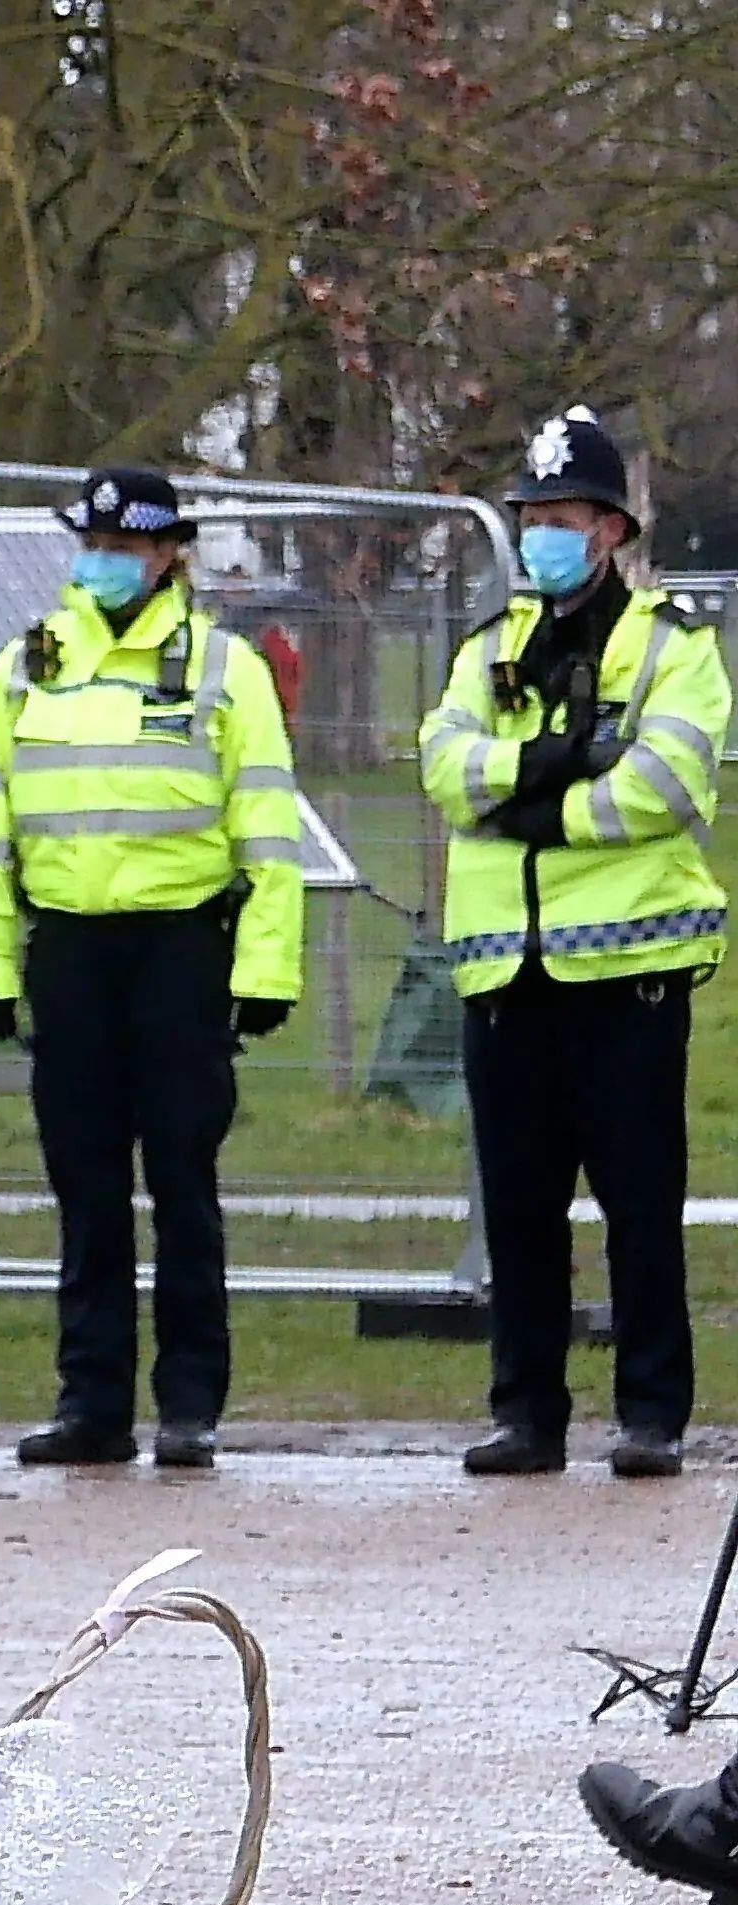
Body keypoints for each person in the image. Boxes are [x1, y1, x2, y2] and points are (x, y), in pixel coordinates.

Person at [0, 465, 304, 1471]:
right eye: (92, 546)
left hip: (181, 952)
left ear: (167, 555)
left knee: (183, 1181)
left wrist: (266, 971)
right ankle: (92, 1404)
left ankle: (190, 1404)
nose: (103, 564)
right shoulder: (26, 665)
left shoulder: (224, 668)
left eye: (124, 549)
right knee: (85, 1187)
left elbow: (268, 832)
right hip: (68, 952)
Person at [416, 406, 731, 1480]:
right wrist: (552, 767)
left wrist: (527, 808)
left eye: (561, 517)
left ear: (610, 530)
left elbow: (664, 785)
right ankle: (527, 1415)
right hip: (507, 972)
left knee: (639, 1207)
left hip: (627, 974)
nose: (541, 534)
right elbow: (444, 766)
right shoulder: (489, 648)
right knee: (519, 1210)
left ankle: (651, 1415)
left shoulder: (675, 649)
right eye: (531, 516)